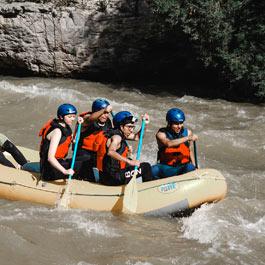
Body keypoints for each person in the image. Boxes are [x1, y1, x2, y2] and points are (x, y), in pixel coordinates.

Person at [96, 111, 153, 186]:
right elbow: (111, 152)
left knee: (133, 162)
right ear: (121, 127)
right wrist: (129, 162)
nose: (131, 130)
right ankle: (149, 189)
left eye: (132, 127)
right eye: (129, 127)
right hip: (113, 178)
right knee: (146, 167)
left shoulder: (116, 133)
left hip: (105, 176)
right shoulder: (117, 137)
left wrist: (144, 124)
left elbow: (137, 137)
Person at [39, 103, 88, 181]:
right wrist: (64, 171)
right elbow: (50, 158)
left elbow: (73, 140)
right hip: (49, 169)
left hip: (59, 162)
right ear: (61, 117)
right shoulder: (57, 132)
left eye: (73, 116)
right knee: (81, 165)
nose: (72, 119)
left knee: (84, 159)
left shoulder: (65, 127)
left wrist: (78, 124)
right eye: (69, 117)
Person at [152, 108, 198, 179]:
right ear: (169, 123)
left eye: (181, 123)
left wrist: (195, 166)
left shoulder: (188, 133)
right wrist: (188, 138)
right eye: (176, 124)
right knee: (153, 170)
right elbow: (168, 143)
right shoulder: (161, 134)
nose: (179, 126)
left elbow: (190, 150)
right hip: (166, 168)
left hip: (182, 167)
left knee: (190, 167)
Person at [76, 98, 113, 181]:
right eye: (103, 113)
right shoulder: (86, 119)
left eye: (107, 113)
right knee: (87, 163)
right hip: (84, 153)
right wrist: (104, 109)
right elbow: (90, 118)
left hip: (97, 153)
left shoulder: (108, 122)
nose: (105, 115)